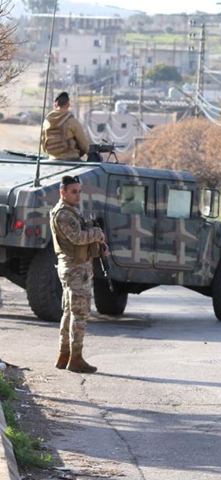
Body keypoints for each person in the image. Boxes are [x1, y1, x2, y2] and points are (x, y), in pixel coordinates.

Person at [50, 175, 109, 373]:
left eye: (79, 191)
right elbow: (76, 238)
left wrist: (98, 244)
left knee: (69, 312)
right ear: (63, 192)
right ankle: (75, 358)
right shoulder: (63, 214)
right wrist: (98, 234)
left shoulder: (71, 212)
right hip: (75, 269)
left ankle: (64, 356)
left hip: (76, 267)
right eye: (73, 191)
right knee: (80, 313)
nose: (77, 195)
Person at [42, 91, 90, 161]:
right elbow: (84, 145)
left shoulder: (46, 121)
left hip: (52, 159)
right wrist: (81, 153)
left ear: (55, 105)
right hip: (71, 159)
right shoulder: (72, 121)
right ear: (68, 105)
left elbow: (43, 145)